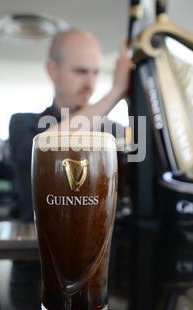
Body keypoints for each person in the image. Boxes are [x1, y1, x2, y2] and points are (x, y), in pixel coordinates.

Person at [9, 28, 131, 222]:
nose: (90, 84)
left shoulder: (114, 132)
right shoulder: (23, 124)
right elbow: (46, 143)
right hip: (38, 246)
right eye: (81, 71)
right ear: (52, 70)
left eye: (96, 72)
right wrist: (115, 92)